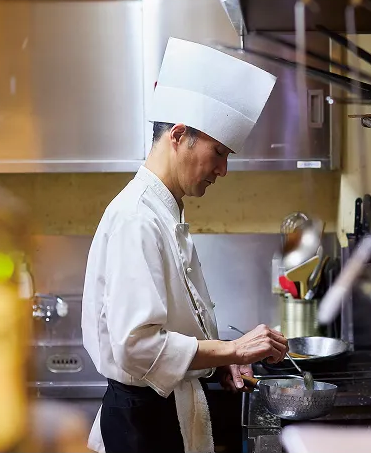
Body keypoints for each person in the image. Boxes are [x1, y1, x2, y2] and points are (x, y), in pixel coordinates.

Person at [81, 37, 287, 454]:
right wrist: (232, 347)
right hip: (144, 428)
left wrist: (220, 361)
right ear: (179, 135)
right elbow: (137, 345)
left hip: (164, 417)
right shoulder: (136, 219)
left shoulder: (164, 211)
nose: (223, 170)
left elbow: (173, 329)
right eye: (219, 153)